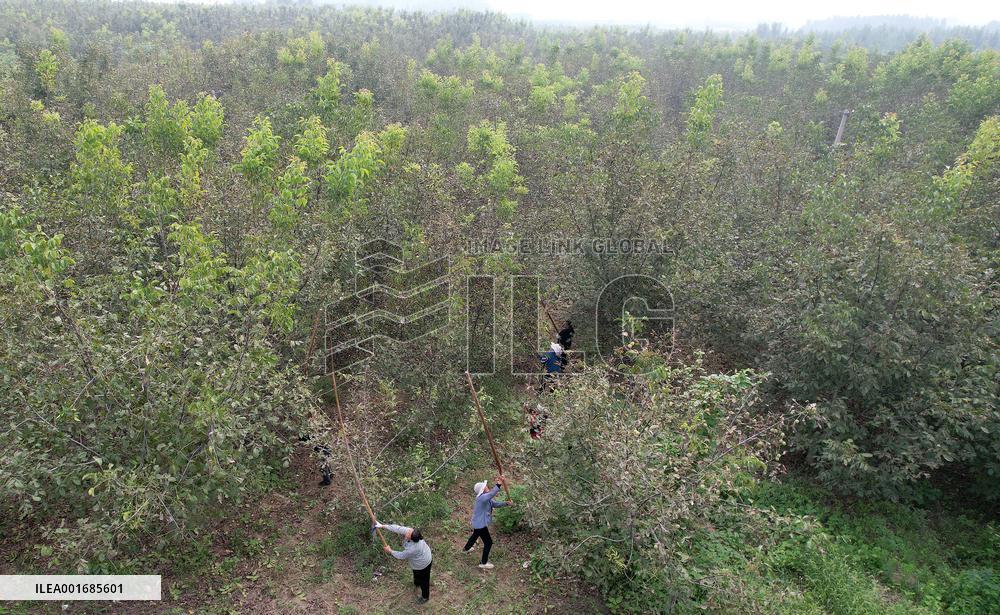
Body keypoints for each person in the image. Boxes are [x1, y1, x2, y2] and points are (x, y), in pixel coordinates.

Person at [374, 520, 433, 604]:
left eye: (408, 533)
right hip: (417, 563)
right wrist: (383, 526)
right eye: (409, 531)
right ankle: (417, 584)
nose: (407, 531)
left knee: (424, 580)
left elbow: (401, 555)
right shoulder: (412, 532)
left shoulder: (413, 549)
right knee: (416, 574)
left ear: (411, 539)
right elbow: (398, 528)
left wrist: (390, 551)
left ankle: (425, 597)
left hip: (423, 563)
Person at [462, 476, 511, 569]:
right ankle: (483, 563)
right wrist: (499, 484)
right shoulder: (481, 498)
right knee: (488, 542)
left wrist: (506, 503)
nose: (487, 486)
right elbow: (492, 494)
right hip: (480, 525)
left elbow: (495, 504)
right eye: (485, 486)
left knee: (475, 535)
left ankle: (466, 549)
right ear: (482, 489)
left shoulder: (487, 499)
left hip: (478, 523)